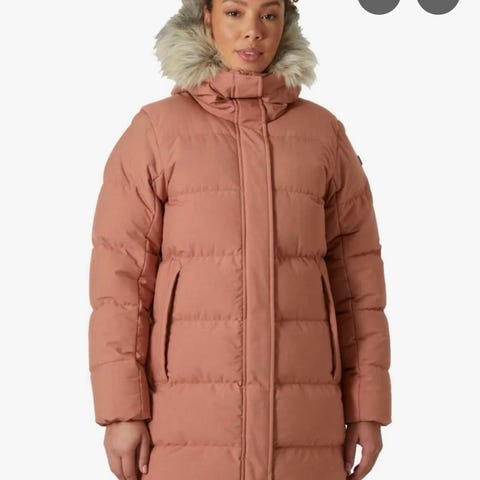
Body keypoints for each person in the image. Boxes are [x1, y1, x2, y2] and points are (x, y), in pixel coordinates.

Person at [87, 1, 392, 479]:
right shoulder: (157, 131)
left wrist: (367, 407)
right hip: (185, 421)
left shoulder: (323, 134)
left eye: (269, 15)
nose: (253, 32)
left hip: (305, 422)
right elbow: (120, 284)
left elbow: (358, 283)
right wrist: (123, 411)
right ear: (206, 16)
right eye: (235, 12)